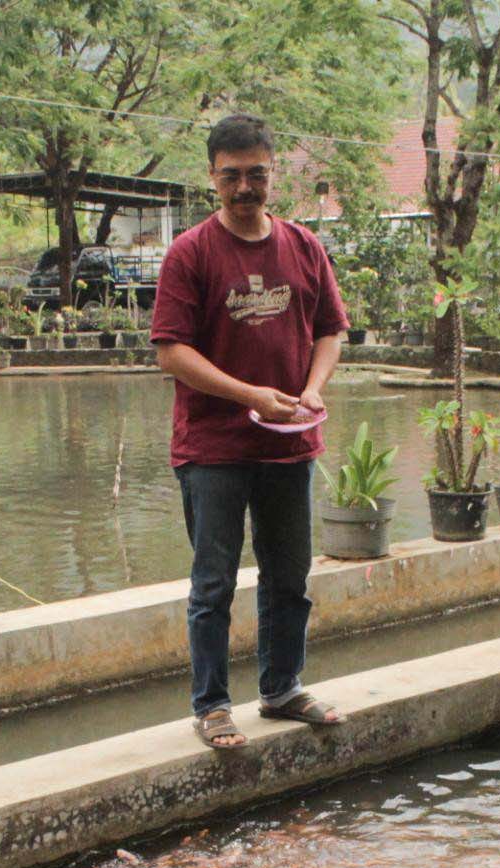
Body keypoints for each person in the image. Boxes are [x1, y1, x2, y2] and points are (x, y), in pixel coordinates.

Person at [151, 113, 349, 750]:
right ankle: (211, 705)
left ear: (272, 174)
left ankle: (282, 688)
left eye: (256, 174)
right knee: (214, 583)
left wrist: (313, 387)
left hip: (290, 440)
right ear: (212, 177)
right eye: (231, 176)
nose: (245, 187)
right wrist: (248, 396)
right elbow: (171, 351)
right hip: (213, 446)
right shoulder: (191, 253)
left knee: (289, 574)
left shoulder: (303, 246)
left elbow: (330, 329)